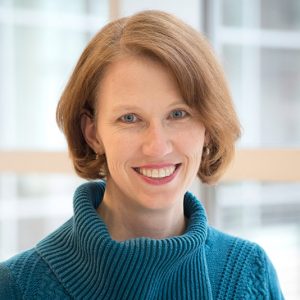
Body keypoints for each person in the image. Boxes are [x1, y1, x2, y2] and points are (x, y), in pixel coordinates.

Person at [0, 10, 284, 300]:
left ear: (208, 127)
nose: (157, 146)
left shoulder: (251, 274)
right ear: (93, 133)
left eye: (178, 114)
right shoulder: (17, 287)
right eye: (130, 118)